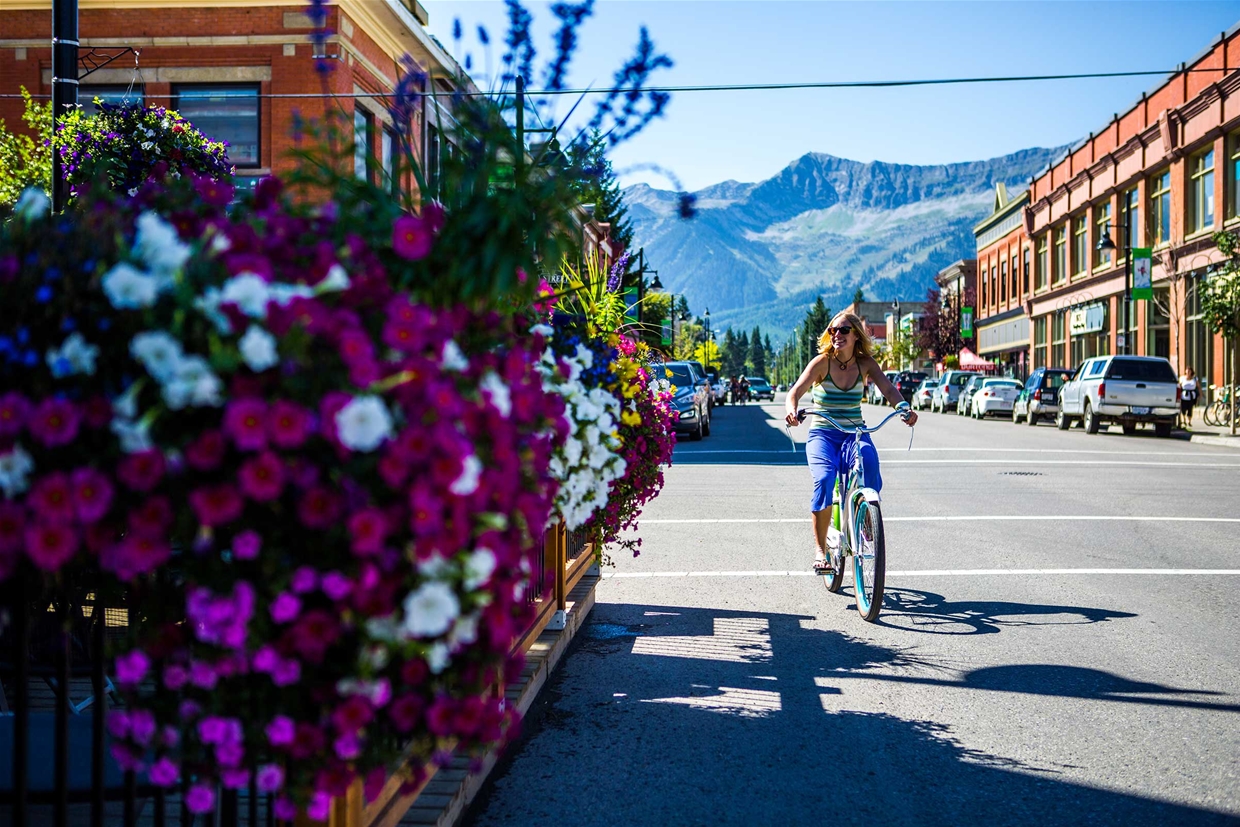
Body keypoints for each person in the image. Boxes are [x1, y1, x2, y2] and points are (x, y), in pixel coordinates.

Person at [784, 312, 916, 571]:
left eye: (843, 330)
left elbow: (888, 389)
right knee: (823, 480)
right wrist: (792, 409)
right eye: (833, 330)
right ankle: (821, 549)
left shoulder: (866, 364)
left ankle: (867, 519)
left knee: (870, 466)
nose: (837, 335)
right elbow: (795, 391)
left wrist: (903, 407)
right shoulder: (822, 363)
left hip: (854, 433)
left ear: (856, 334)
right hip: (823, 433)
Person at [1179, 366, 1199, 430]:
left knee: (1190, 409)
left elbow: (1198, 386)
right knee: (1183, 409)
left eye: (1189, 371)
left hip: (1191, 396)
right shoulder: (1182, 378)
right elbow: (1179, 385)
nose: (1188, 372)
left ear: (1191, 372)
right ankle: (1184, 420)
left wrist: (1200, 394)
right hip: (1184, 396)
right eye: (1187, 370)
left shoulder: (1195, 378)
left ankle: (1189, 421)